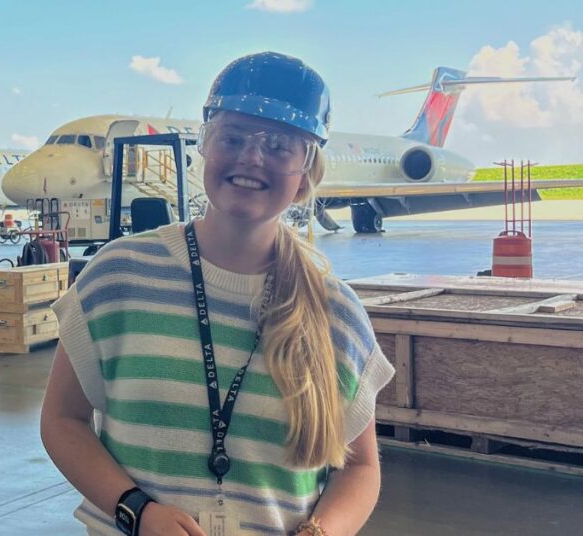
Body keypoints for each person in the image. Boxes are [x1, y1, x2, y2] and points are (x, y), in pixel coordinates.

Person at [40, 52, 395, 536]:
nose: (252, 157)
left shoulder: (336, 314)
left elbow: (359, 468)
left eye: (279, 145)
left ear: (307, 171)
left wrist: (320, 532)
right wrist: (137, 512)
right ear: (206, 146)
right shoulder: (119, 277)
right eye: (234, 137)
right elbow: (63, 421)